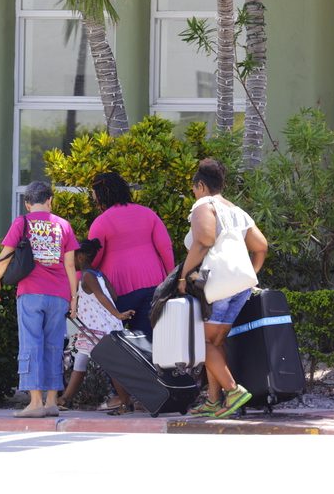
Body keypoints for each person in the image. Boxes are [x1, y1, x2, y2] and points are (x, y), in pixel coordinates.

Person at [178, 159, 269, 419]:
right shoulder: (236, 210)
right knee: (216, 342)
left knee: (202, 342)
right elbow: (261, 246)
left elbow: (204, 240)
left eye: (194, 189)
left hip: (216, 284)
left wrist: (184, 275)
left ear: (201, 186)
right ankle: (214, 400)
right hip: (240, 286)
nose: (194, 194)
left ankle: (233, 390)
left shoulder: (203, 205)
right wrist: (250, 274)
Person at [0, 181, 79, 418]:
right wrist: (74, 298)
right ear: (50, 200)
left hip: (31, 292)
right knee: (53, 346)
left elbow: (6, 253)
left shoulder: (23, 222)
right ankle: (51, 401)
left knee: (31, 344)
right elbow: (70, 265)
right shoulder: (63, 225)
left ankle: (35, 402)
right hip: (59, 294)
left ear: (28, 203)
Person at [88, 172, 174, 411]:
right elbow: (165, 248)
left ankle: (121, 396)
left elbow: (92, 260)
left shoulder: (102, 222)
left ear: (102, 195)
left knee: (117, 346)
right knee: (147, 342)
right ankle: (152, 395)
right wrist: (171, 281)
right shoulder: (148, 214)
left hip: (120, 292)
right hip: (153, 286)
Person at [59, 238, 134, 409]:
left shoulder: (86, 277)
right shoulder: (99, 274)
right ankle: (66, 399)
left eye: (72, 256)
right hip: (98, 327)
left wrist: (118, 314)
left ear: (80, 257)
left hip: (98, 329)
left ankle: (125, 402)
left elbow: (101, 296)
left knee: (110, 364)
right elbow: (112, 296)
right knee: (80, 361)